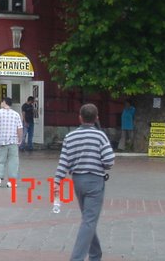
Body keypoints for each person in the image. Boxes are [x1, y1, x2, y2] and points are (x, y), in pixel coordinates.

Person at [54, 103, 115, 261]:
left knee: (88, 218)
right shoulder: (100, 136)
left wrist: (57, 181)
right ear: (96, 118)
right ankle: (77, 258)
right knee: (89, 220)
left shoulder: (70, 137)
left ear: (80, 118)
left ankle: (95, 254)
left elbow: (64, 162)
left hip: (78, 181)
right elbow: (109, 161)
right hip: (95, 181)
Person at [0, 97, 23, 187]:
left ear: (4, 102)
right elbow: (20, 128)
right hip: (13, 141)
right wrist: (20, 139)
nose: (0, 104)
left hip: (2, 141)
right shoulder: (16, 114)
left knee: (1, 160)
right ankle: (11, 181)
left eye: (1, 102)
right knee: (13, 161)